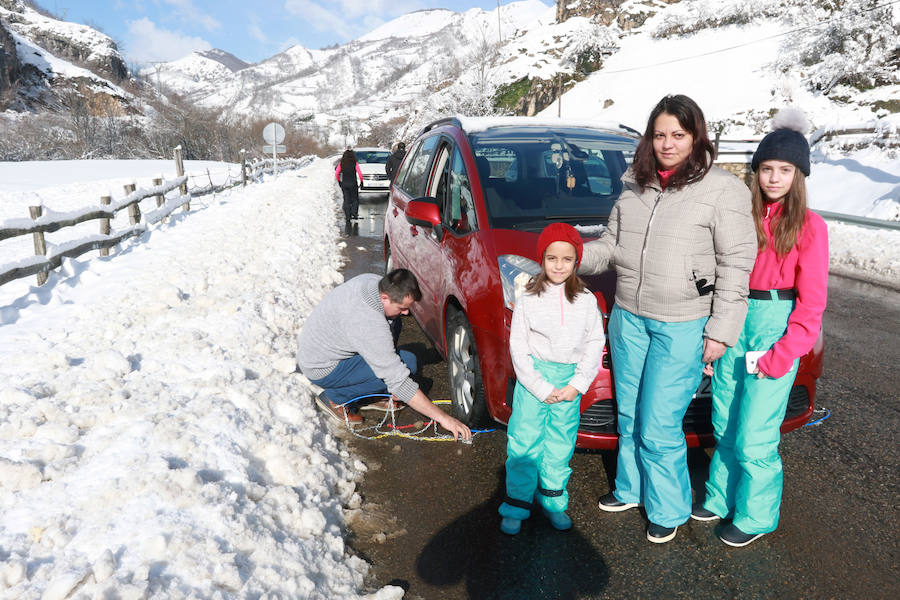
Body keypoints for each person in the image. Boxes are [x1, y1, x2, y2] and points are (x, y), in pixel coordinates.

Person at [579, 94, 757, 543]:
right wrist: (573, 255)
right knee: (629, 414)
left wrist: (720, 330)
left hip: (682, 323)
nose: (667, 143)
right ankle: (631, 488)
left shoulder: (722, 189)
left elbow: (737, 264)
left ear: (695, 137)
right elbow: (611, 245)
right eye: (659, 135)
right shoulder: (635, 185)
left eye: (678, 135)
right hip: (629, 318)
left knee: (659, 422)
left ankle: (669, 508)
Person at [693, 108, 828, 547]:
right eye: (766, 168)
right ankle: (719, 497)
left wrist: (785, 352)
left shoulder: (811, 227)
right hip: (736, 318)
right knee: (725, 418)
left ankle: (755, 515)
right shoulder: (744, 217)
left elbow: (812, 306)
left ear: (799, 176)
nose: (773, 178)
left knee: (755, 434)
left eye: (784, 170)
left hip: (775, 326)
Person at [499, 223, 605, 535]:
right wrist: (540, 386)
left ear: (576, 262)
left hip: (569, 382)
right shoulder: (529, 298)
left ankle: (553, 501)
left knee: (560, 444)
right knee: (525, 442)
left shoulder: (586, 300)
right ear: (542, 259)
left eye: (566, 259)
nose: (559, 265)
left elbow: (594, 343)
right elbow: (518, 346)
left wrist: (578, 385)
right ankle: (517, 504)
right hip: (535, 382)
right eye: (551, 258)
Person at [297, 268, 472, 441]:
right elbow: (400, 382)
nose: (406, 312)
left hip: (320, 349)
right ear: (385, 297)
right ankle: (335, 399)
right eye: (402, 307)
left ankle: (371, 391)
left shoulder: (373, 282)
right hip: (322, 367)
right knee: (408, 364)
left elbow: (389, 330)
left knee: (395, 322)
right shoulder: (369, 323)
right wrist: (444, 419)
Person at [335, 149, 363, 223]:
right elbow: (359, 173)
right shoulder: (355, 163)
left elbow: (337, 173)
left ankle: (348, 216)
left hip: (345, 184)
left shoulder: (342, 163)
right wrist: (361, 181)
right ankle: (354, 213)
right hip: (353, 183)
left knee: (346, 200)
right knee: (355, 199)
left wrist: (339, 181)